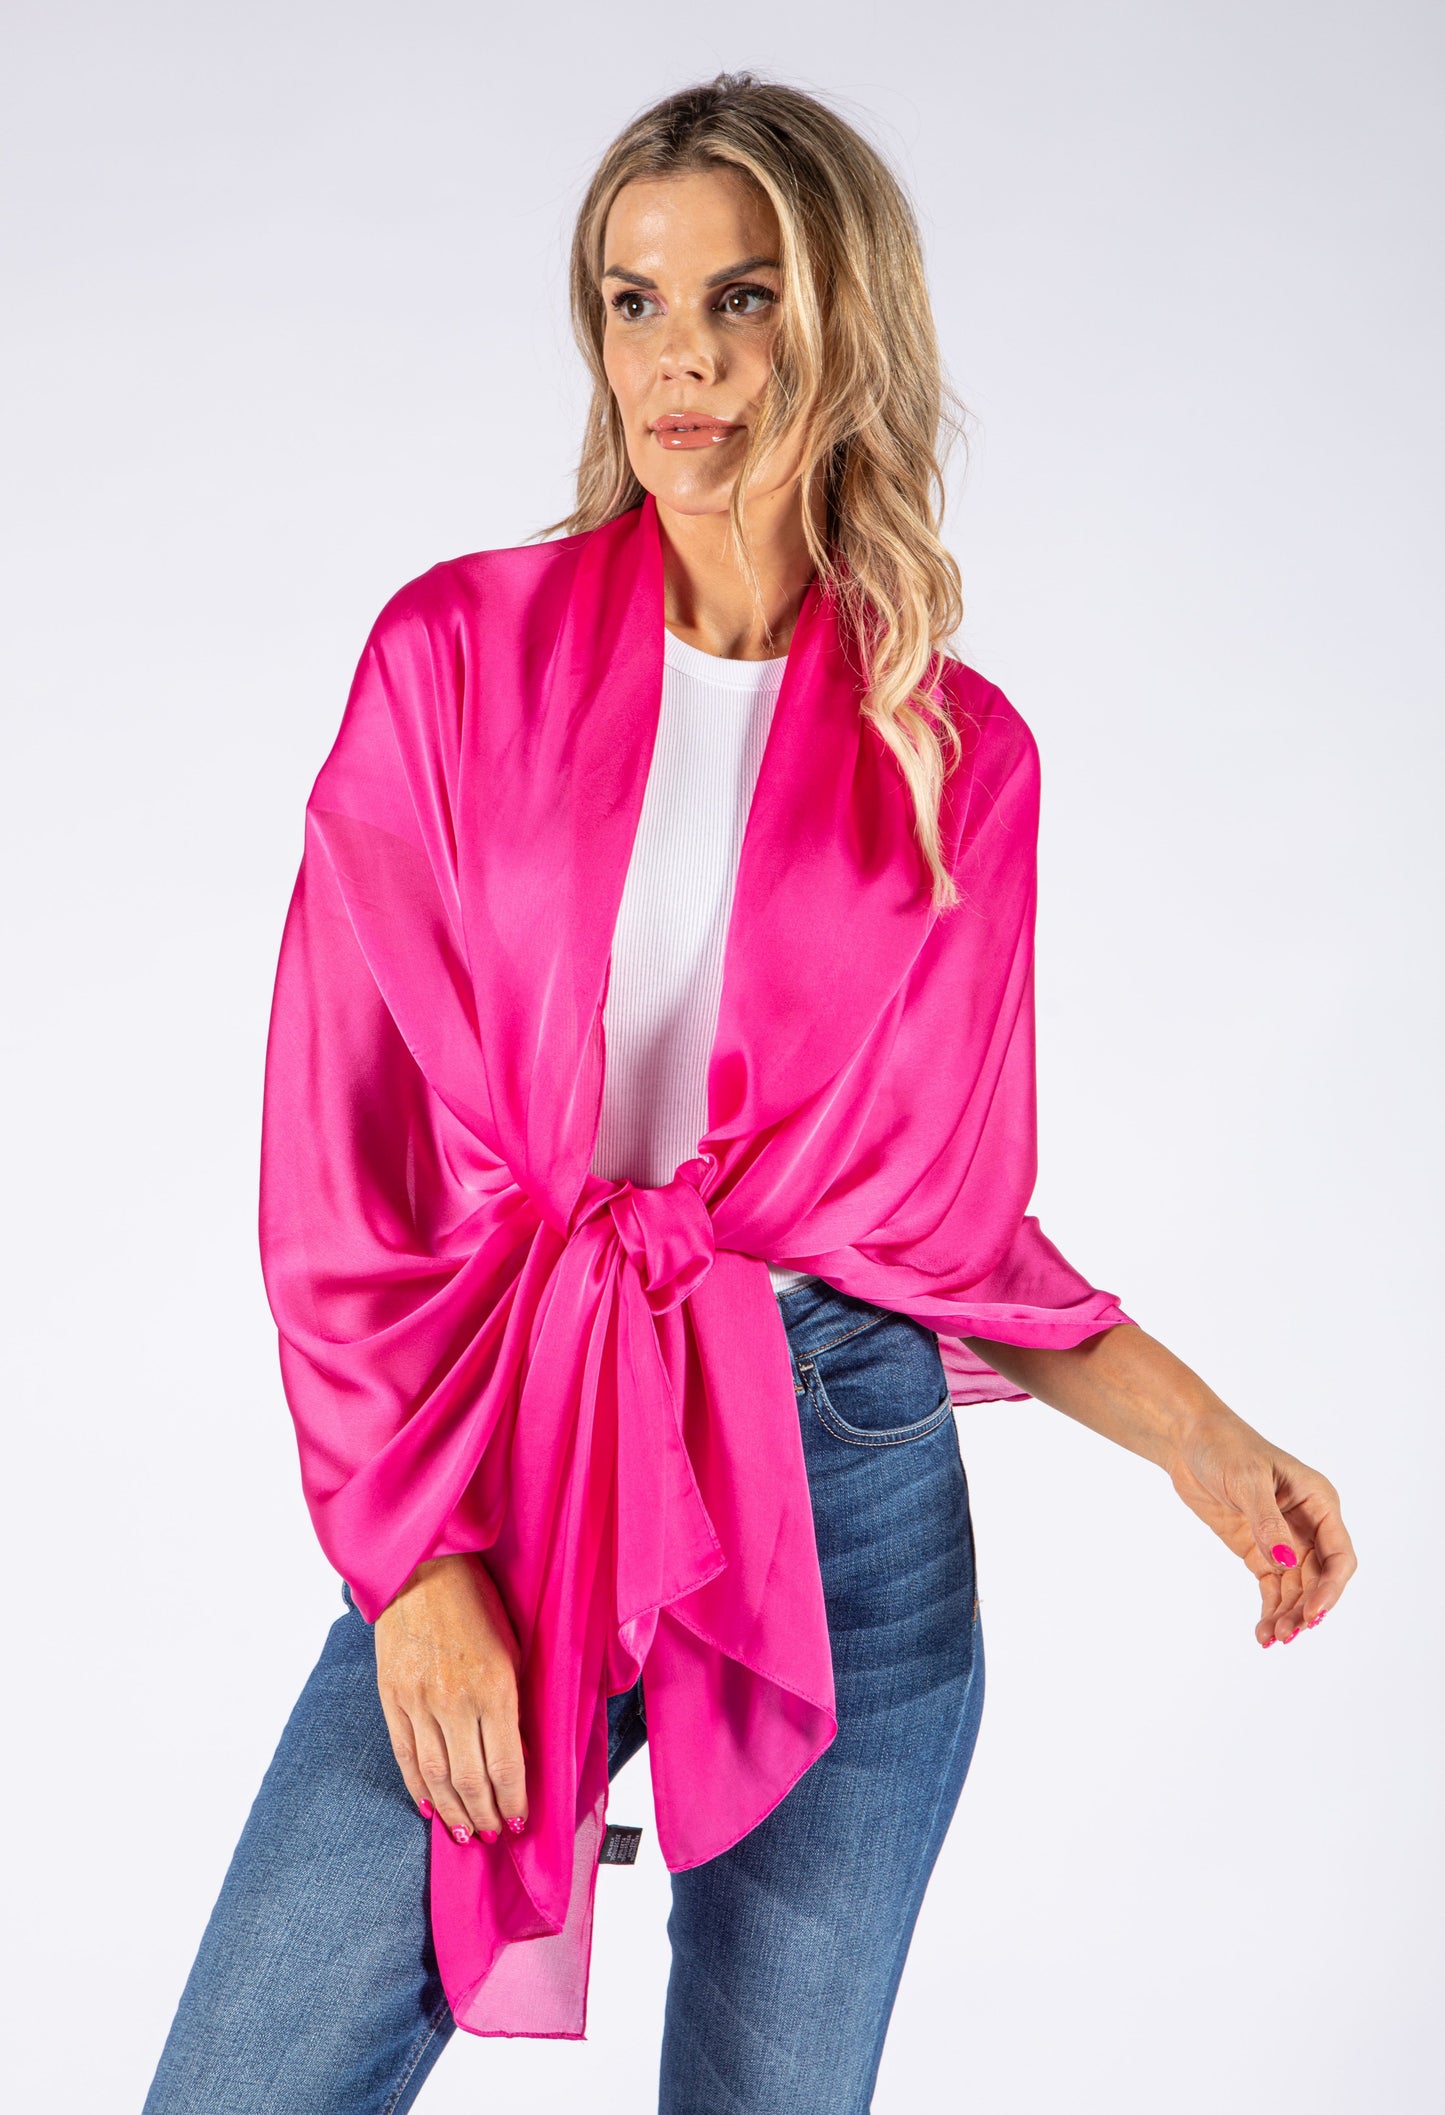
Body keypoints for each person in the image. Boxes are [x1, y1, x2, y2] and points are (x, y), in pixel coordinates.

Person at [141, 71, 1357, 2115]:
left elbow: (940, 1228)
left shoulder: (958, 750)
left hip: (845, 1478)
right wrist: (413, 1568)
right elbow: (337, 1155)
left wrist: (1208, 1445)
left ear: (842, 322)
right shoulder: (454, 654)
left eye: (741, 297)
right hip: (515, 1451)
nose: (678, 358)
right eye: (633, 300)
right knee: (245, 2078)